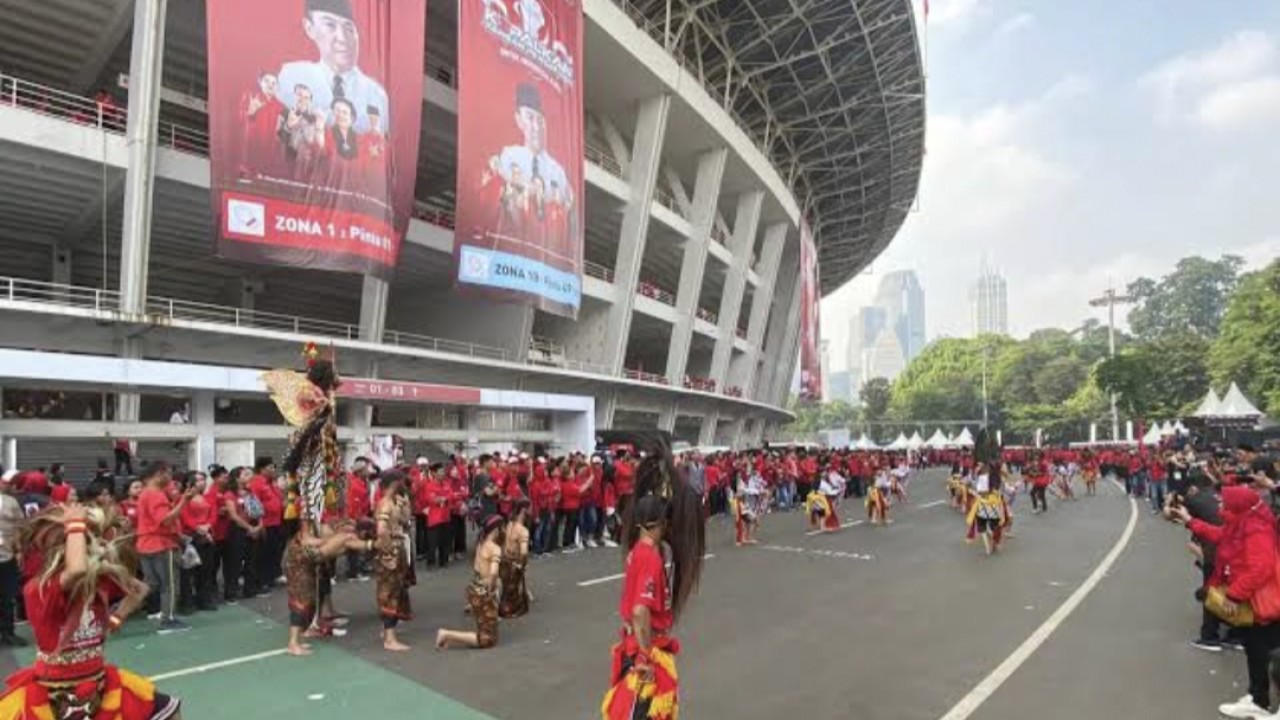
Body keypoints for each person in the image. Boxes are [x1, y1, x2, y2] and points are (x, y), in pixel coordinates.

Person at [0, 505, 183, 718]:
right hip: (55, 690)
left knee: (168, 710)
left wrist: (113, 621)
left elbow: (140, 590)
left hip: (98, 681)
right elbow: (76, 569)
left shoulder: (95, 580)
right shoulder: (39, 588)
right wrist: (76, 524)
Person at [602, 447, 706, 720]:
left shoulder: (639, 549)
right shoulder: (649, 557)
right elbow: (640, 611)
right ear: (658, 523)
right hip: (646, 651)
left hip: (637, 645)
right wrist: (646, 657)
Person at [1172, 486, 1280, 718]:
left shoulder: (1256, 529)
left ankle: (1261, 701)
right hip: (1255, 600)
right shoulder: (1244, 523)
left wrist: (1234, 594)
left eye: (1225, 503)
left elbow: (1261, 568)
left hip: (1262, 602)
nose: (1220, 505)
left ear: (1238, 507)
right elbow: (1220, 535)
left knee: (1263, 651)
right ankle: (1258, 697)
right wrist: (1190, 521)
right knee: (1256, 650)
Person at [277, 0, 389, 134]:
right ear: (309, 28)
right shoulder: (291, 78)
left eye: (349, 28)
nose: (342, 38)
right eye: (330, 25)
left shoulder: (375, 95)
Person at [135, 462, 195, 633]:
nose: (170, 478)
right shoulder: (155, 494)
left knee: (150, 585)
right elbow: (165, 520)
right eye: (168, 473)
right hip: (161, 545)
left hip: (146, 544)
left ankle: (118, 612)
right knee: (169, 584)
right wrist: (184, 501)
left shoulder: (146, 493)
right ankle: (168, 620)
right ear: (160, 473)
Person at [435, 513, 505, 650]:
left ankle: (448, 637)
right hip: (484, 592)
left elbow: (477, 568)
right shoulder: (494, 549)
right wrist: (491, 591)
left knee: (487, 631)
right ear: (496, 529)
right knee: (487, 639)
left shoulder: (481, 544)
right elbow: (493, 573)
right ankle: (446, 634)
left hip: (474, 589)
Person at [374, 470, 414, 652]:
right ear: (394, 483)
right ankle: (389, 638)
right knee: (389, 592)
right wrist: (389, 551)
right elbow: (382, 530)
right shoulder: (385, 504)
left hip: (397, 548)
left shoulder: (393, 502)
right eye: (400, 481)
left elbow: (405, 520)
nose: (403, 484)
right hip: (392, 551)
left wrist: (405, 504)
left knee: (395, 590)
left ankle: (387, 632)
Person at [0, 470, 26, 647]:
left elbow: (19, 527)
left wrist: (18, 550)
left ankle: (8, 632)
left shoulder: (11, 502)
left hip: (7, 557)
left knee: (7, 596)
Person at [499, 500, 532, 619]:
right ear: (524, 510)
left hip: (504, 561)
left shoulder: (509, 524)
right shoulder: (523, 531)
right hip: (513, 564)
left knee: (506, 587)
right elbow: (523, 553)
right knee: (510, 593)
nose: (532, 510)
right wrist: (523, 564)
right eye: (530, 508)